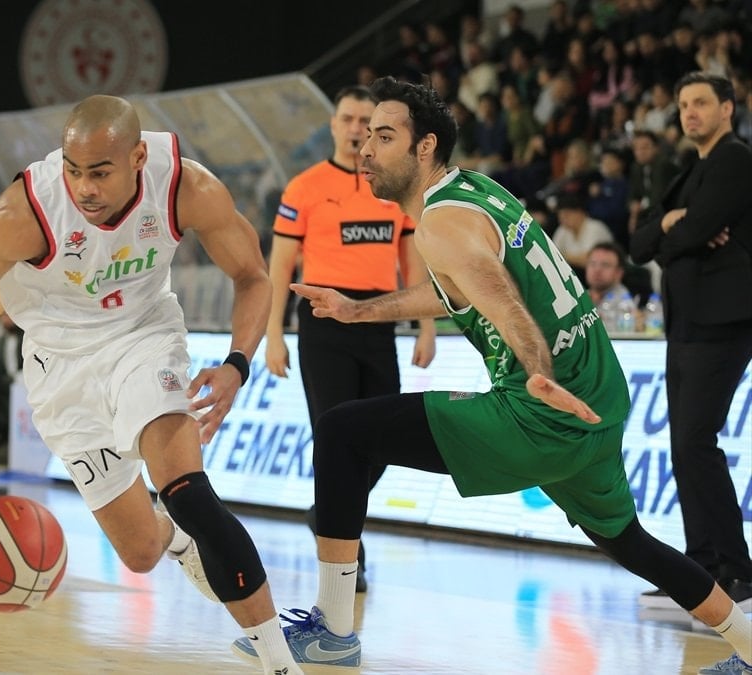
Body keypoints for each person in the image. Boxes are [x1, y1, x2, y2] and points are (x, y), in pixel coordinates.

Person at [232, 77, 752, 674]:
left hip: (543, 407)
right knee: (628, 541)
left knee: (342, 432)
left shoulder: (439, 225)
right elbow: (460, 288)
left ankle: (333, 631)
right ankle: (750, 648)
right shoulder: (476, 190)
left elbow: (506, 305)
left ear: (423, 147)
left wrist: (535, 372)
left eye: (383, 137)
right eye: (365, 135)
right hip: (598, 392)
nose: (365, 150)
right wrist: (358, 309)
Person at [0, 94, 302, 675]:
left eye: (100, 172)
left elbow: (252, 276)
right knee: (140, 552)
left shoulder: (187, 187)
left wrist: (237, 363)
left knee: (187, 490)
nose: (84, 187)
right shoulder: (23, 212)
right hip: (59, 361)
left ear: (136, 157)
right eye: (74, 170)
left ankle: (280, 663)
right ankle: (178, 543)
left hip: (143, 333)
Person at [264, 85, 435, 593]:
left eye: (367, 120)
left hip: (379, 320)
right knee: (335, 436)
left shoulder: (391, 184)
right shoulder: (305, 187)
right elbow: (280, 265)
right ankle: (347, 559)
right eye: (348, 118)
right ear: (334, 125)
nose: (357, 128)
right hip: (322, 323)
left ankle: (326, 512)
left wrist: (426, 324)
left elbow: (413, 256)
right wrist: (272, 332)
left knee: (382, 439)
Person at [629, 72, 752, 623]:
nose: (690, 112)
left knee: (696, 442)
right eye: (682, 104)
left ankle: (738, 569)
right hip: (686, 324)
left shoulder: (735, 159)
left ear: (728, 108)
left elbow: (685, 234)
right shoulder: (688, 173)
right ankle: (702, 571)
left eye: (702, 102)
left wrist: (676, 231)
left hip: (723, 322)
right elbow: (638, 245)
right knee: (685, 446)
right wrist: (676, 226)